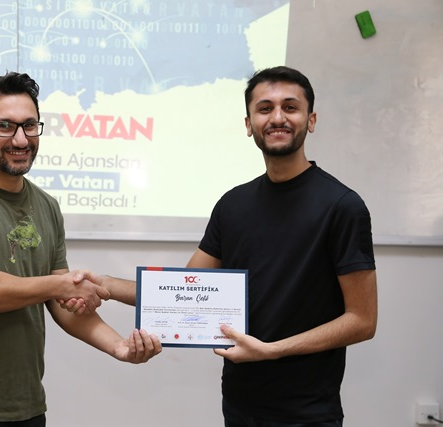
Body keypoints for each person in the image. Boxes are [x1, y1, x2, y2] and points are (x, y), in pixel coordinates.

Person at [91, 66, 378, 426]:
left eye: (290, 107)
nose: (277, 117)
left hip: (308, 413)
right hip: (240, 406)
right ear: (248, 124)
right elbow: (182, 292)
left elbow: (362, 321)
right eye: (265, 108)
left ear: (311, 120)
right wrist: (105, 285)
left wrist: (271, 351)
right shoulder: (233, 205)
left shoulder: (343, 206)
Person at [0, 71, 161, 427]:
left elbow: (65, 305)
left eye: (29, 125)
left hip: (25, 405)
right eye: (4, 126)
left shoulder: (46, 206)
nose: (20, 139)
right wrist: (61, 285)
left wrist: (118, 346)